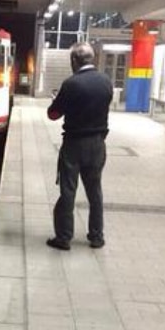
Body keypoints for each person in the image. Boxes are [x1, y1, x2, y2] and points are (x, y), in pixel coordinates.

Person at [45, 42, 113, 251]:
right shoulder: (106, 81)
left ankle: (64, 237)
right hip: (98, 144)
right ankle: (96, 236)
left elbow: (53, 114)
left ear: (74, 60)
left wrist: (58, 100)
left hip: (74, 145)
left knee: (68, 191)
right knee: (95, 191)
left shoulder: (71, 83)